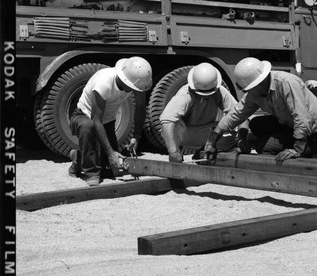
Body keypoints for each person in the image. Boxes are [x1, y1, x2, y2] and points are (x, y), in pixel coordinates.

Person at [204, 57, 317, 165]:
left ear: (257, 84)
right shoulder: (255, 93)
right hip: (290, 125)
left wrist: (297, 149)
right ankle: (305, 148)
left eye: (248, 89)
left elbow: (302, 117)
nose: (247, 92)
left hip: (315, 132)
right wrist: (212, 140)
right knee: (256, 124)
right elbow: (236, 115)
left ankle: (315, 152)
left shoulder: (286, 83)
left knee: (263, 148)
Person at [68, 56, 152, 186]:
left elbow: (140, 108)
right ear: (125, 80)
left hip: (107, 121)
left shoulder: (135, 82)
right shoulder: (104, 82)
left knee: (110, 170)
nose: (135, 91)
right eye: (133, 88)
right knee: (87, 126)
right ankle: (91, 172)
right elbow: (96, 120)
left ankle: (78, 158)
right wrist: (111, 152)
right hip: (83, 116)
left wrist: (136, 136)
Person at [159, 62, 248, 163]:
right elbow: (166, 119)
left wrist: (242, 140)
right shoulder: (185, 95)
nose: (205, 96)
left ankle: (204, 150)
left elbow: (240, 115)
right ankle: (187, 150)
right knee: (169, 126)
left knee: (240, 131)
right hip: (184, 134)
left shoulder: (220, 92)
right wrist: (173, 152)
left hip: (205, 133)